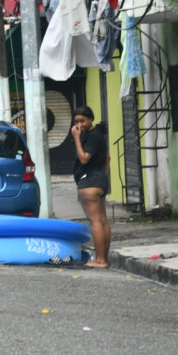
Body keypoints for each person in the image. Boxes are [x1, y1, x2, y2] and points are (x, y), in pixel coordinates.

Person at [71, 105, 111, 268]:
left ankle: (100, 260)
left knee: (95, 221)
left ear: (91, 119)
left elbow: (84, 158)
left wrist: (76, 138)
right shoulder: (97, 135)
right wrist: (103, 177)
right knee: (102, 221)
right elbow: (107, 158)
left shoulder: (92, 136)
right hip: (98, 181)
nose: (79, 125)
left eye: (83, 121)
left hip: (89, 182)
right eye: (76, 122)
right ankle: (103, 259)